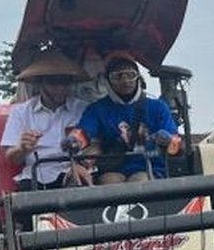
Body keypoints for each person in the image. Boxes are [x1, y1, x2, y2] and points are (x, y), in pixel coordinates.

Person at [67, 52, 180, 183]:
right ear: (108, 80)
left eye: (130, 75)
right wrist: (74, 140)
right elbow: (84, 131)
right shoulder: (97, 109)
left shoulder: (158, 107)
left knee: (139, 181)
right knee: (110, 182)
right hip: (113, 167)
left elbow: (176, 144)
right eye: (117, 76)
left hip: (151, 167)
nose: (125, 80)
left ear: (138, 78)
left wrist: (167, 139)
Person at [1, 49, 92, 189]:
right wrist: (22, 148)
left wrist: (80, 164)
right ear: (40, 82)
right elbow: (12, 158)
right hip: (36, 176)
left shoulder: (83, 109)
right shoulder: (20, 112)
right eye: (53, 82)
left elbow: (97, 145)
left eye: (65, 82)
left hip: (75, 173)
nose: (60, 87)